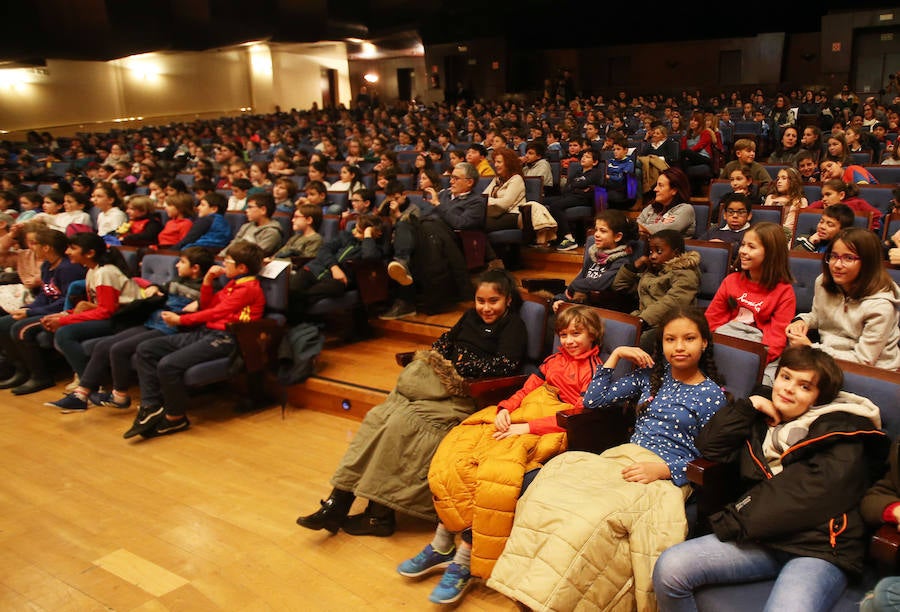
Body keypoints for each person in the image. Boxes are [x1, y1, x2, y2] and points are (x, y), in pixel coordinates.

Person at [487, 307, 728, 611]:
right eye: (671, 339)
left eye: (689, 338)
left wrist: (665, 469)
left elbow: (715, 457)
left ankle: (549, 599)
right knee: (547, 488)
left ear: (704, 342)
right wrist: (615, 358)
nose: (679, 347)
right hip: (623, 459)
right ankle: (532, 591)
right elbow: (593, 400)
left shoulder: (712, 395)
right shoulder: (652, 377)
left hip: (664, 474)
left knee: (591, 518)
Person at [653, 346, 889, 612]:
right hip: (763, 538)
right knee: (670, 567)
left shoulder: (843, 429)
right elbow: (710, 447)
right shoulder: (760, 416)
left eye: (804, 386)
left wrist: (732, 520)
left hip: (818, 547)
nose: (788, 389)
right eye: (785, 377)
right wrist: (749, 406)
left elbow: (808, 495)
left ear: (818, 397)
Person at [295, 269, 528, 535]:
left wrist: (459, 366)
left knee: (400, 424)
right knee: (379, 417)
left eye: (493, 301)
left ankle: (379, 515)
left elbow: (505, 366)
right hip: (439, 389)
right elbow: (442, 344)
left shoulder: (513, 326)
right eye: (480, 300)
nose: (485, 308)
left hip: (467, 397)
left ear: (508, 300)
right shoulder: (468, 317)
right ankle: (339, 500)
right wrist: (445, 363)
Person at [399, 305, 605, 604]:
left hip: (553, 426)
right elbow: (528, 389)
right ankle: (442, 543)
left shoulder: (596, 372)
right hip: (525, 413)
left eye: (577, 333)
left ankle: (464, 559)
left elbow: (579, 414)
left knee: (495, 475)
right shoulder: (553, 361)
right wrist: (506, 408)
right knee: (457, 451)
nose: (569, 340)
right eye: (563, 335)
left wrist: (527, 427)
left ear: (593, 334)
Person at [123, 240, 266, 439]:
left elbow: (216, 312)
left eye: (228, 261)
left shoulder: (248, 288)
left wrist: (180, 319)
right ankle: (150, 407)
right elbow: (207, 306)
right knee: (147, 348)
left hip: (228, 338)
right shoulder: (233, 284)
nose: (224, 264)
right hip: (207, 332)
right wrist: (207, 280)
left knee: (168, 365)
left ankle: (175, 417)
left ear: (242, 267)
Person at [45, 247, 214, 412]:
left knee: (119, 348)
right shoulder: (178, 281)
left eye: (182, 262)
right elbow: (159, 288)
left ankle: (119, 396)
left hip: (170, 329)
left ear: (195, 268)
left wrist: (196, 305)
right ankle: (81, 395)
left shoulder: (205, 289)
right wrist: (154, 287)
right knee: (104, 346)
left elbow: (208, 306)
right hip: (151, 322)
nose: (176, 265)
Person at [35, 232, 142, 399]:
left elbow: (106, 311)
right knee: (60, 329)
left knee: (65, 332)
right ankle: (87, 381)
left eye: (73, 248)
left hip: (126, 321)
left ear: (90, 253)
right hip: (113, 317)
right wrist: (62, 315)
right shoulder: (93, 271)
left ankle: (90, 385)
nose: (68, 252)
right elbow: (98, 306)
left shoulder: (106, 272)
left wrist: (64, 320)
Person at [786, 228, 900, 370]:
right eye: (833, 256)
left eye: (849, 258)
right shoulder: (823, 282)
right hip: (826, 358)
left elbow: (864, 360)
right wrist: (803, 321)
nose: (837, 265)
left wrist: (810, 348)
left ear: (867, 262)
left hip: (871, 372)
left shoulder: (881, 306)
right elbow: (817, 315)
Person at [0, 226, 84, 393]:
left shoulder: (68, 268)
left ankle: (41, 376)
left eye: (34, 243)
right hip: (46, 308)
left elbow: (66, 302)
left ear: (46, 247)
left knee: (20, 328)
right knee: (3, 323)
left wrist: (31, 313)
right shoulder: (47, 265)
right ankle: (21, 370)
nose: (32, 247)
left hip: (64, 312)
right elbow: (44, 296)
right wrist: (27, 308)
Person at [705, 221, 795, 367]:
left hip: (757, 355)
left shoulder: (784, 291)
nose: (743, 251)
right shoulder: (731, 281)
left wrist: (749, 363)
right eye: (743, 245)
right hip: (724, 344)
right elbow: (711, 321)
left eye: (751, 247)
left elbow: (775, 342)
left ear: (771, 253)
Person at [285, 213, 385, 324]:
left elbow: (369, 257)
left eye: (359, 232)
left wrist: (367, 237)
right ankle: (297, 325)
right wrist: (334, 267)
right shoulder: (345, 236)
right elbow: (324, 249)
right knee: (292, 289)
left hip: (338, 281)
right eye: (355, 228)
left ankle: (298, 324)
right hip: (315, 269)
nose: (354, 232)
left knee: (331, 287)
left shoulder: (375, 249)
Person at [613, 229, 701, 351]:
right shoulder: (651, 271)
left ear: (675, 253)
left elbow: (673, 301)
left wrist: (643, 320)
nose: (653, 256)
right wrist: (635, 265)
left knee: (636, 343)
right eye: (650, 251)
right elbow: (619, 286)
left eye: (659, 251)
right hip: (643, 321)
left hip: (670, 324)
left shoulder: (685, 274)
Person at [552, 209, 638, 311]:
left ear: (617, 237)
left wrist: (574, 287)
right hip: (580, 305)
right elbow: (581, 277)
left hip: (601, 309)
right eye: (596, 229)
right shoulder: (594, 253)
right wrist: (561, 300)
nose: (596, 234)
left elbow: (599, 284)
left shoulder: (622, 261)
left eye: (603, 231)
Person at [546, 148, 605, 251]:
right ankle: (550, 236)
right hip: (571, 196)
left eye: (587, 157)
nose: (583, 158)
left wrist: (576, 187)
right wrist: (578, 187)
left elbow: (580, 184)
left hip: (583, 199)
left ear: (594, 162)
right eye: (583, 156)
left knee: (556, 206)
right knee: (545, 201)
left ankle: (569, 238)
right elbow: (566, 188)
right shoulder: (577, 173)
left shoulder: (596, 172)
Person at [482, 147, 525, 268]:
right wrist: (486, 200)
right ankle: (490, 261)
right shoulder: (497, 179)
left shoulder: (516, 179)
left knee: (478, 224)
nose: (496, 165)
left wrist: (487, 201)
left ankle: (494, 262)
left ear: (508, 162)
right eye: (495, 162)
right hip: (497, 213)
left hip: (513, 215)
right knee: (473, 223)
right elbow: (483, 196)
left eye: (499, 162)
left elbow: (506, 203)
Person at [636, 166, 696, 239]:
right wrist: (661, 223)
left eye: (660, 185)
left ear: (674, 190)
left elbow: (664, 232)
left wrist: (642, 228)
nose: (655, 189)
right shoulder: (652, 207)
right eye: (656, 185)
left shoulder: (686, 209)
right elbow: (635, 227)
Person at [219, 192, 284, 257]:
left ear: (263, 210)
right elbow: (233, 245)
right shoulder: (246, 226)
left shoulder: (272, 232)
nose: (246, 210)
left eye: (250, 207)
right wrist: (221, 256)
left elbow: (255, 256)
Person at [807, 178, 883, 232]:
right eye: (823, 196)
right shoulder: (830, 206)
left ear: (841, 195)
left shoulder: (855, 203)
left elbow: (878, 217)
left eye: (828, 194)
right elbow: (807, 211)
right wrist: (823, 201)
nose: (824, 199)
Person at [700, 193, 754, 264]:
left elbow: (747, 253)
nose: (735, 216)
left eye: (740, 212)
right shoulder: (714, 230)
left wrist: (724, 246)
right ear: (725, 215)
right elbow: (697, 245)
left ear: (749, 216)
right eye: (730, 212)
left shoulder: (752, 234)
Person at [762, 167, 808, 238]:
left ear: (793, 181)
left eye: (783, 178)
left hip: (788, 237)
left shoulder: (801, 201)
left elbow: (801, 226)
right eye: (778, 178)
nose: (779, 181)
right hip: (768, 234)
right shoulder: (770, 198)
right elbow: (765, 220)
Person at [605, 133, 636, 209]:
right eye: (614, 149)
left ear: (626, 150)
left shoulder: (629, 163)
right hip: (608, 187)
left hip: (621, 190)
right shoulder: (610, 161)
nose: (615, 151)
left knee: (601, 194)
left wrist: (608, 176)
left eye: (618, 149)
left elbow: (620, 178)